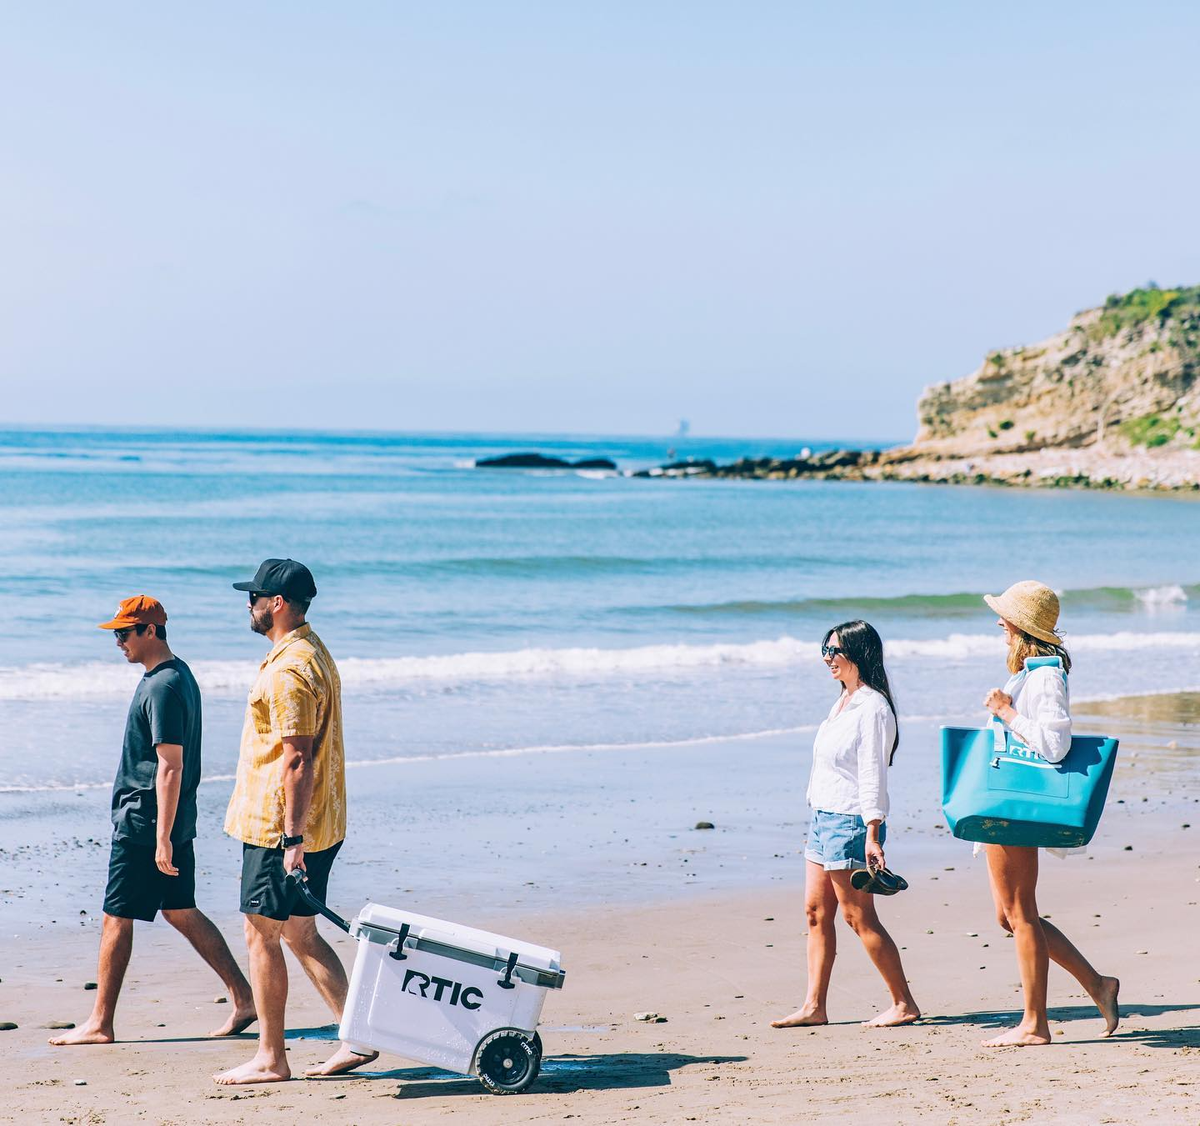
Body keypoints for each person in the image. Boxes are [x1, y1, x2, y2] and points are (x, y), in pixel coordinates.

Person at [50, 595, 255, 1047]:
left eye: (124, 633)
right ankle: (243, 997)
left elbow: (171, 766)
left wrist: (160, 837)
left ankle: (100, 1022)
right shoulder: (174, 675)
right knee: (179, 909)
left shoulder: (163, 685)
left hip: (146, 824)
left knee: (115, 917)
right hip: (169, 819)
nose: (118, 642)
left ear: (150, 631)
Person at [214, 559, 376, 1085]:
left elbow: (298, 758)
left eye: (255, 597)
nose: (249, 604)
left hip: (280, 827)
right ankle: (358, 1034)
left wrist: (290, 839)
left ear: (277, 604)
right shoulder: (312, 650)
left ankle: (271, 1056)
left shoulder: (288, 669)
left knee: (261, 934)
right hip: (319, 821)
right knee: (300, 933)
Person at [978, 580, 1120, 1047]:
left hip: (1016, 807)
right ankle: (1098, 985)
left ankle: (1035, 1024)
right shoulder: (1033, 672)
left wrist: (1005, 713)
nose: (999, 623)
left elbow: (1055, 746)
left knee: (1020, 913)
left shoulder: (1045, 676)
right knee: (1010, 915)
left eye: (1005, 617)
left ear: (1021, 626)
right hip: (1009, 806)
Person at [772, 620, 921, 1030]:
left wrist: (873, 832)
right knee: (816, 913)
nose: (827, 658)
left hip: (851, 822)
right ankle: (814, 1007)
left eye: (834, 650)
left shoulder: (872, 707)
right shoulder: (843, 703)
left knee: (858, 917)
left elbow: (873, 774)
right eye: (825, 648)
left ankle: (903, 1003)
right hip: (823, 817)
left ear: (859, 654)